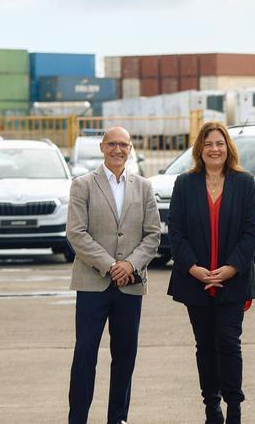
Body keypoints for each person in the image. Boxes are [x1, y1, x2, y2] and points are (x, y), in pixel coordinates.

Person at [167, 121, 255, 424]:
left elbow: (252, 232)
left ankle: (234, 408)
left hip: (233, 281)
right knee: (205, 346)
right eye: (208, 144)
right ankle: (212, 408)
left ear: (228, 147)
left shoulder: (245, 183)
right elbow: (176, 232)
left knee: (229, 342)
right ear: (200, 149)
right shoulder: (185, 183)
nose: (214, 149)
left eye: (219, 143)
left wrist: (231, 268)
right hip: (196, 281)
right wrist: (193, 268)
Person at [66, 126, 161, 424]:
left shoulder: (143, 187)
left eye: (124, 145)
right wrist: (110, 265)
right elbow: (76, 233)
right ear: (102, 147)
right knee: (85, 355)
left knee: (124, 357)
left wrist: (130, 265)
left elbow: (153, 235)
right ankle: (77, 417)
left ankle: (118, 418)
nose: (118, 150)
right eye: (112, 144)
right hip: (93, 283)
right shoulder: (82, 185)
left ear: (131, 148)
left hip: (130, 287)